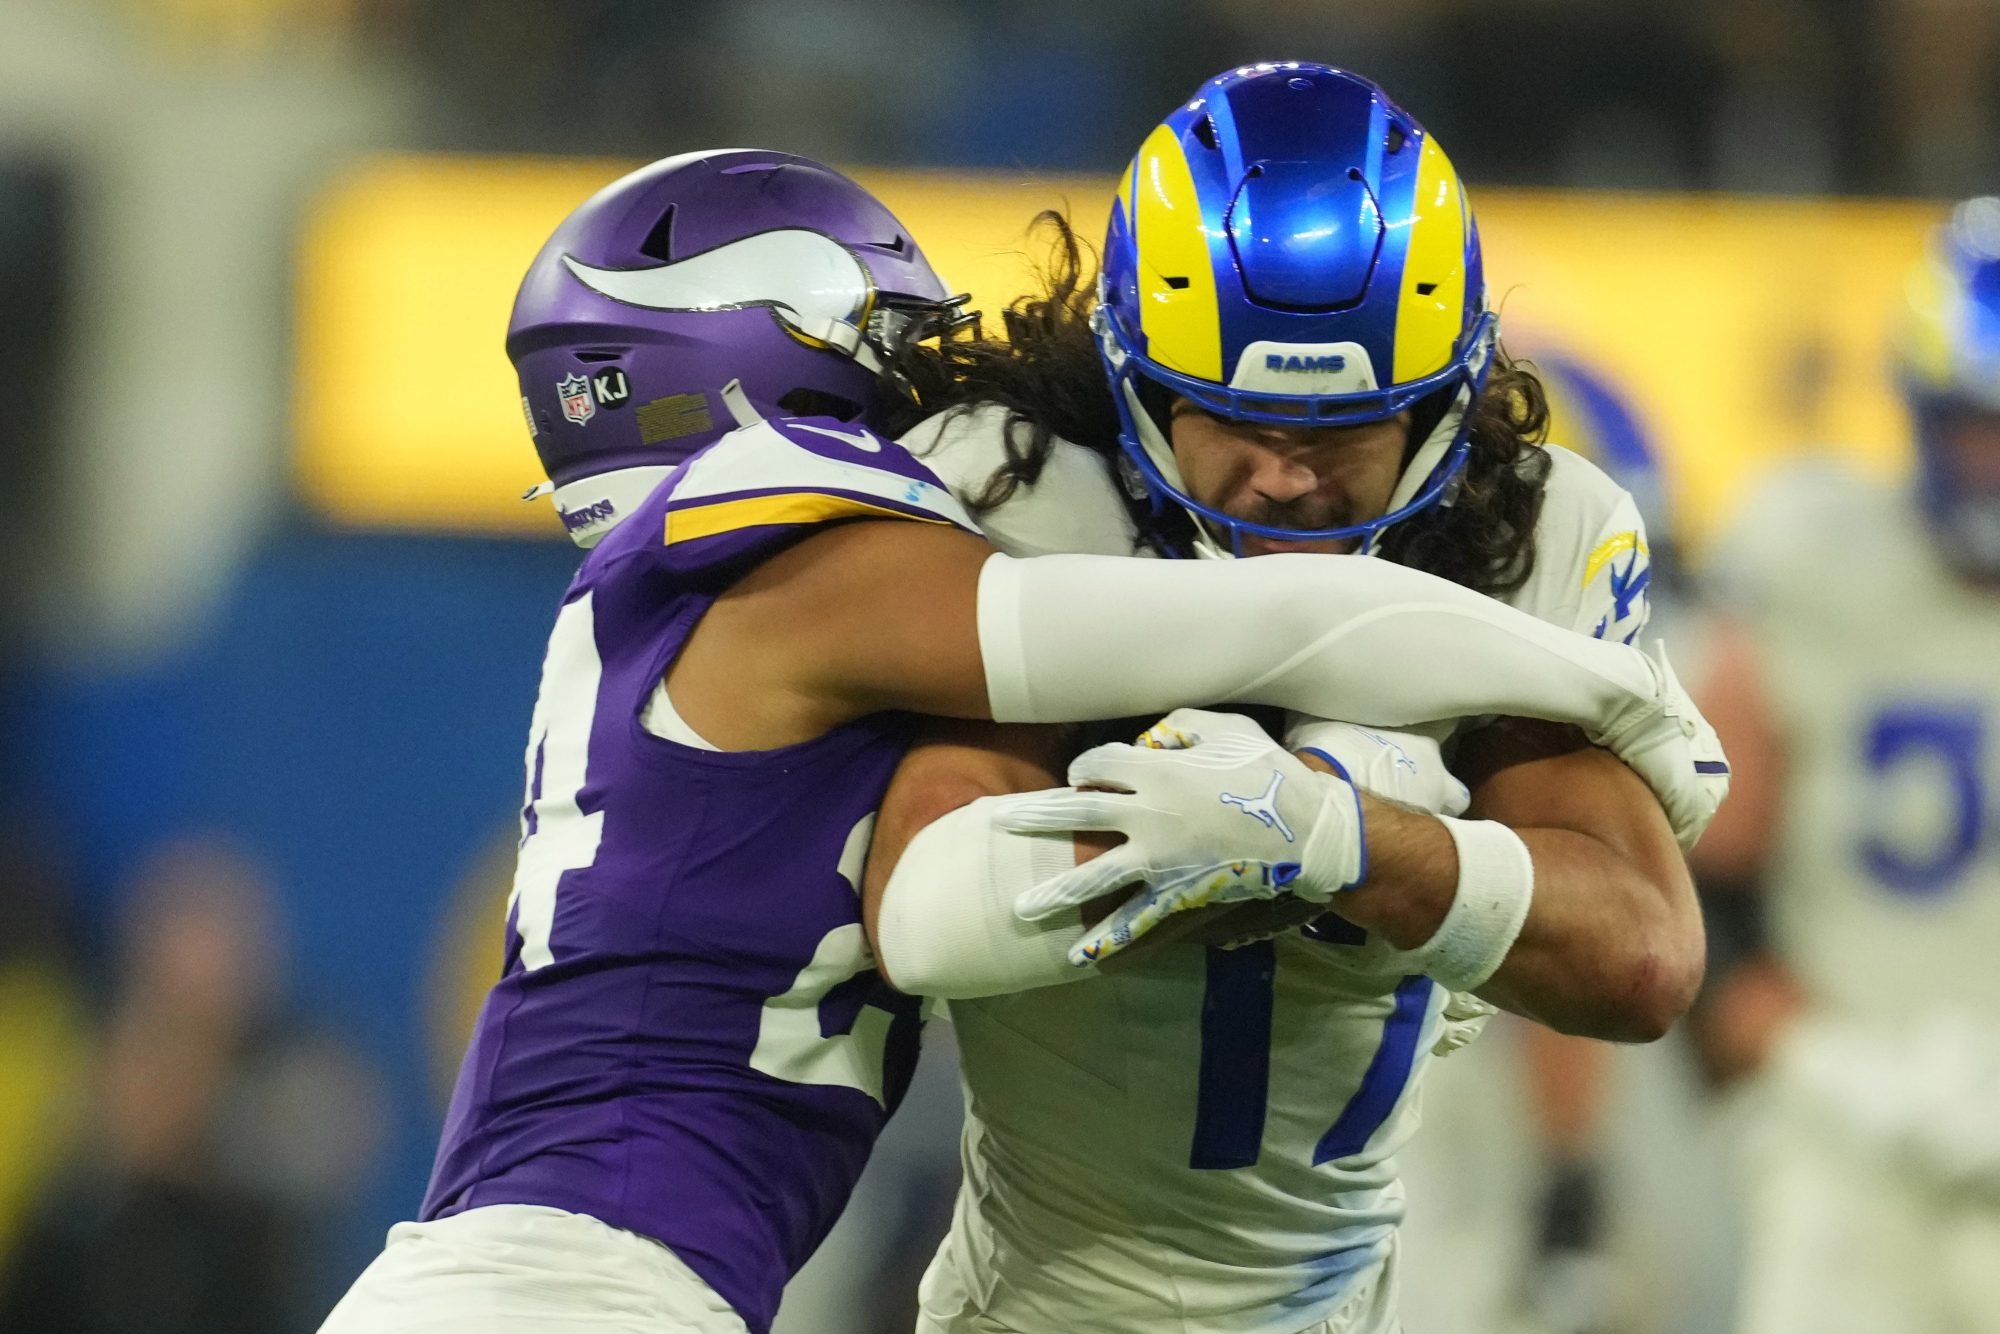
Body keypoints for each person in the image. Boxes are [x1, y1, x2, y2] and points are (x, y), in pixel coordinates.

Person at [319, 146, 1721, 1334]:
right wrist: (1604, 681)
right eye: (876, 347)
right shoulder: (812, 581)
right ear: (760, 360)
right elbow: (1272, 622)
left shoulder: (709, 586)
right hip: (587, 1286)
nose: (913, 396)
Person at [852, 64, 1719, 1334]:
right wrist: (1223, 854)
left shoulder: (1525, 532)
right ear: (1138, 383)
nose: (1279, 479)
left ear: (1437, 404)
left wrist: (1336, 840)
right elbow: (926, 898)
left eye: (1339, 432)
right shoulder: (1029, 496)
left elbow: (1642, 955)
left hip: (1342, 1300)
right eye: (1234, 419)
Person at [1691, 196, 2000, 1334]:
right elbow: (1706, 878)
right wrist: (1811, 1054)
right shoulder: (1809, 555)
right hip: (1849, 1127)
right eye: (1976, 426)